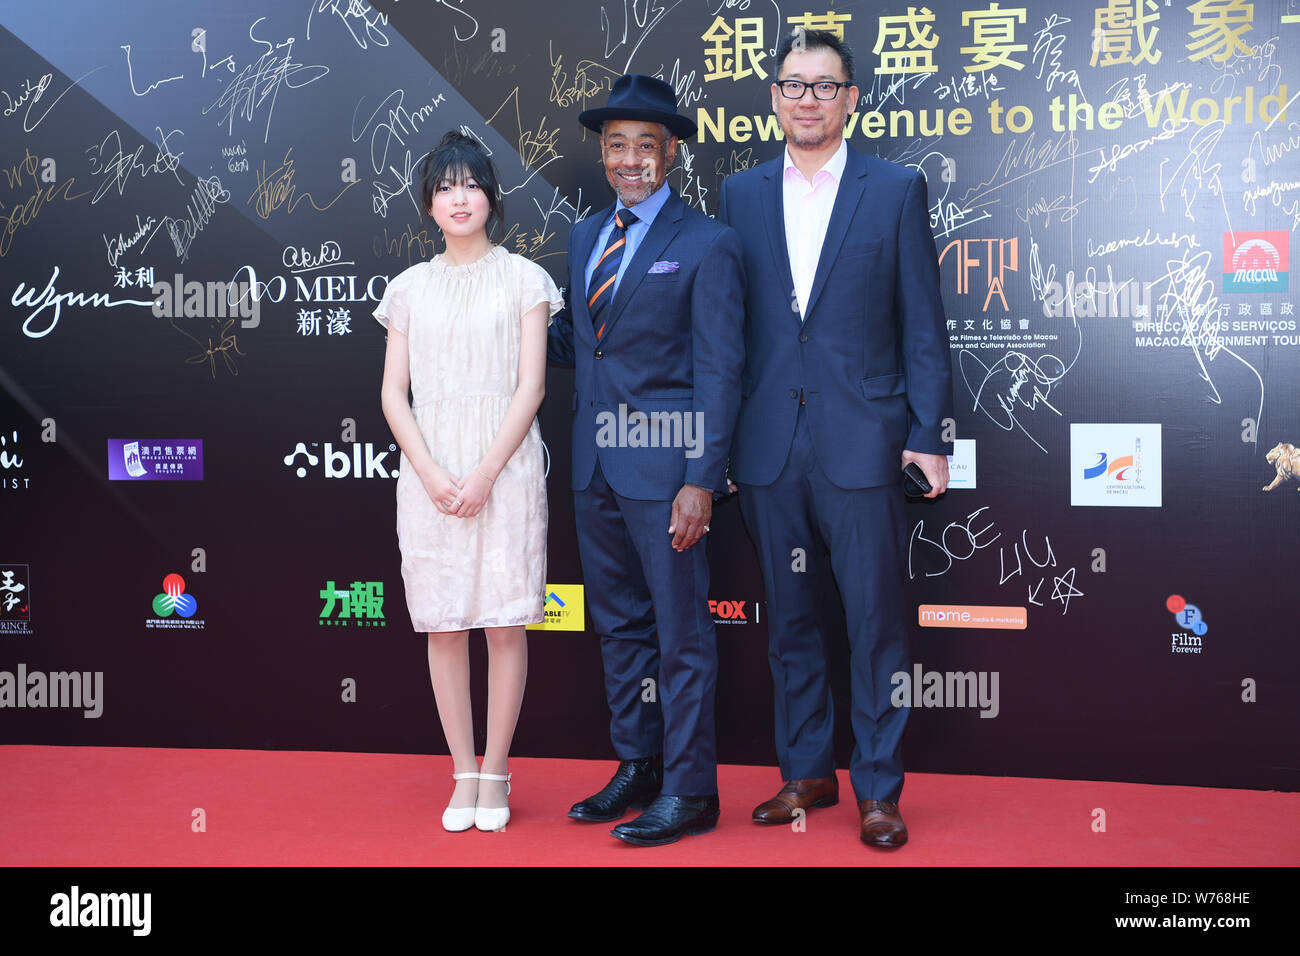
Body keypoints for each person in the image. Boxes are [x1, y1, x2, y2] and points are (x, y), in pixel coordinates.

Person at [717, 29, 955, 848]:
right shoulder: (739, 195)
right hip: (770, 446)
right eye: (793, 85)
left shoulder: (894, 189)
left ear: (851, 99)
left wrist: (928, 433)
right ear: (774, 97)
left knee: (875, 623)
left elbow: (924, 325)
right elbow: (730, 333)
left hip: (866, 442)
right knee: (789, 621)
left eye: (825, 86)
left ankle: (879, 789)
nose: (808, 99)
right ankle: (807, 772)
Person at [548, 75, 745, 846]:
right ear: (603, 154)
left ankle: (693, 790)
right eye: (617, 146)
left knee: (680, 635)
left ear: (672, 154)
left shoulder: (709, 245)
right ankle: (640, 763)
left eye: (646, 146)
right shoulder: (583, 237)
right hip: (594, 467)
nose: (631, 160)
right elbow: (578, 343)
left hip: (666, 474)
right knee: (621, 629)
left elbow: (721, 371)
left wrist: (701, 478)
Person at [376, 131, 562, 833]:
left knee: (504, 622)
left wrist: (484, 474)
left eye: (472, 185)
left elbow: (532, 386)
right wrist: (430, 472)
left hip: (505, 467)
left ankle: (496, 770)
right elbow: (394, 395)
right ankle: (461, 772)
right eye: (446, 187)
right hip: (429, 474)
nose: (460, 198)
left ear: (491, 197)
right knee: (446, 625)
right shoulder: (408, 290)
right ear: (428, 204)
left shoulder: (524, 279)